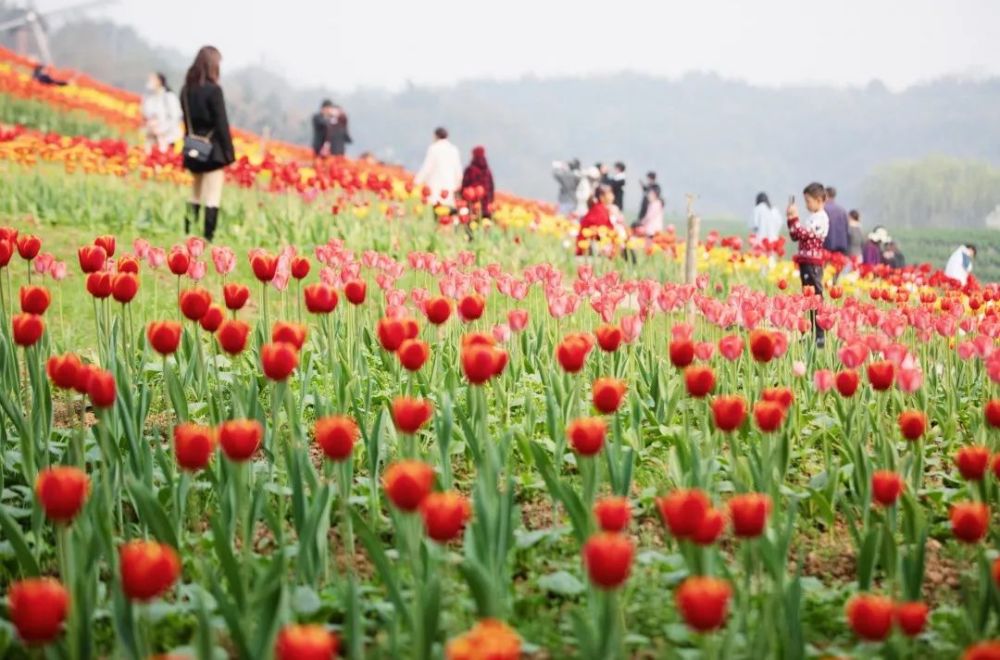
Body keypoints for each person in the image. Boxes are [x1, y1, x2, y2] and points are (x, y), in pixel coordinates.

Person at [180, 45, 235, 241]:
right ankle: (207, 238)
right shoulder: (214, 91)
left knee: (194, 193)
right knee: (212, 195)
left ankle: (188, 232)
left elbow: (186, 121)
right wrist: (229, 154)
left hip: (193, 148)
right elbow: (222, 124)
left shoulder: (186, 90)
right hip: (213, 151)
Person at [787, 182, 829, 347]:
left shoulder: (821, 218)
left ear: (819, 200)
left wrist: (794, 218)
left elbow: (803, 234)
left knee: (816, 298)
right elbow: (795, 235)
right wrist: (791, 218)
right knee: (808, 299)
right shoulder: (812, 217)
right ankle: (812, 333)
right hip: (806, 262)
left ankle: (819, 335)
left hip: (813, 265)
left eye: (808, 201)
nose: (806, 205)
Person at [414, 127, 463, 211]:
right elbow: (458, 169)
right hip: (449, 185)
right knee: (446, 211)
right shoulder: (453, 149)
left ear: (435, 136)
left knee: (436, 208)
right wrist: (458, 183)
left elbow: (427, 167)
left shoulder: (433, 148)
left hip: (435, 185)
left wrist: (417, 181)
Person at [141, 72, 182, 154]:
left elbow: (175, 117)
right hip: (152, 137)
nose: (149, 82)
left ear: (159, 81)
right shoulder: (149, 97)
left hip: (168, 138)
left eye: (152, 79)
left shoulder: (169, 96)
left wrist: (161, 129)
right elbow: (145, 115)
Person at [576, 185, 614, 256]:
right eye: (610, 194)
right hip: (589, 248)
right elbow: (601, 232)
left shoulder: (601, 208)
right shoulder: (599, 211)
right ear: (601, 197)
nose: (612, 196)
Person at [461, 146, 495, 217]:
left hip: (472, 204)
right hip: (485, 204)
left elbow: (465, 185)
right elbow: (491, 187)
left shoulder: (470, 170)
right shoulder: (487, 171)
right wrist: (490, 201)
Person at [823, 186, 850, 264]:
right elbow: (847, 229)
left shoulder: (823, 209)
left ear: (825, 195)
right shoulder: (842, 210)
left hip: (827, 245)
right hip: (841, 245)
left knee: (827, 269)